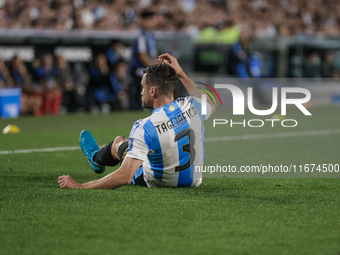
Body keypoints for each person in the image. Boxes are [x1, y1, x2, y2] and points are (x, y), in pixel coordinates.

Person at [58, 53, 215, 189]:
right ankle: (97, 159)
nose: (141, 92)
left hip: (158, 182)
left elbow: (125, 176)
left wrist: (80, 186)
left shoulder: (145, 126)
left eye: (143, 88)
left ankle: (95, 159)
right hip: (193, 182)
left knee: (120, 142)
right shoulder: (193, 106)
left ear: (153, 91)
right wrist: (180, 72)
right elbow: (211, 105)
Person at [127, 10, 158, 109]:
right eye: (152, 20)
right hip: (139, 69)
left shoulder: (151, 36)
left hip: (148, 68)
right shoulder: (141, 36)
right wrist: (154, 67)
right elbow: (142, 55)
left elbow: (153, 54)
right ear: (145, 21)